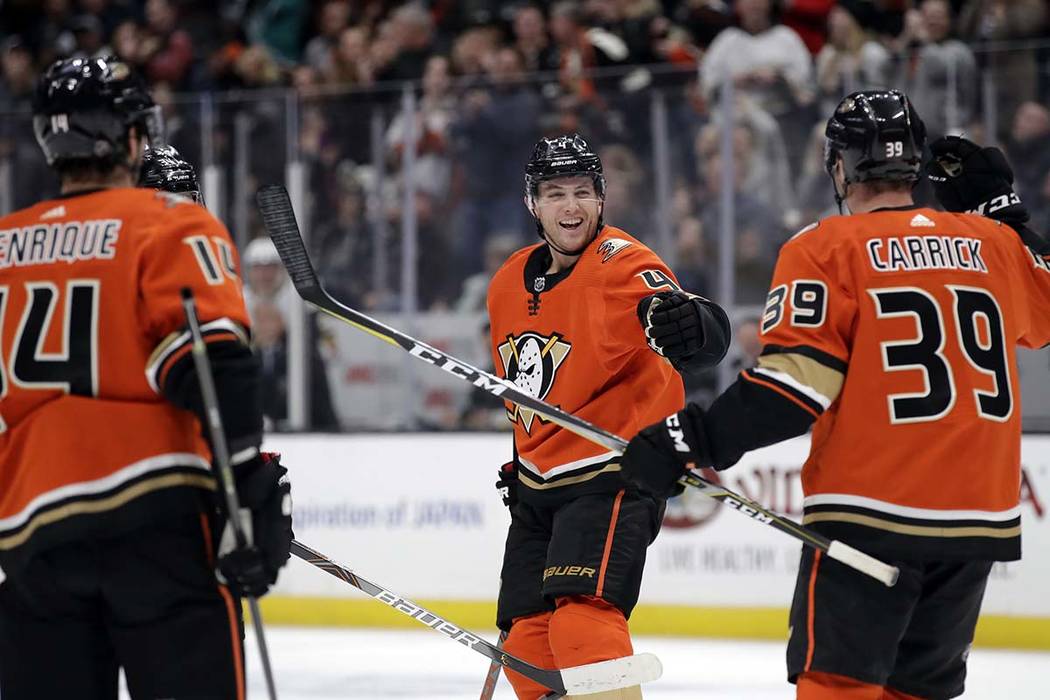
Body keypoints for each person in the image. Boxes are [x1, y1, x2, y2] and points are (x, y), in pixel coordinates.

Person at [619, 90, 1050, 699]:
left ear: (841, 167)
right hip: (979, 519)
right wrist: (1006, 217)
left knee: (837, 689)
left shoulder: (824, 248)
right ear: (916, 165)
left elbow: (794, 388)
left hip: (872, 513)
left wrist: (693, 438)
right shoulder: (994, 245)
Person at [0, 56, 293, 699]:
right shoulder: (167, 221)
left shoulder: (4, 247)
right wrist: (244, 486)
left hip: (30, 540)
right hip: (155, 524)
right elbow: (213, 369)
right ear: (133, 138)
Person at [487, 134, 731, 700]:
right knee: (527, 643)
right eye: (555, 194)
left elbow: (691, 326)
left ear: (601, 200)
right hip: (539, 485)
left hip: (613, 472)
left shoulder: (621, 261)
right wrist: (524, 461)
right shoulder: (506, 282)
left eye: (581, 192)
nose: (570, 207)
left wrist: (688, 325)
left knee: (583, 621)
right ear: (533, 204)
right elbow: (528, 388)